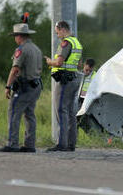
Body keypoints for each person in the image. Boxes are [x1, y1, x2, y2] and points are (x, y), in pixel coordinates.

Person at [0, 23, 43, 153]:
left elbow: (15, 69)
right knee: (29, 114)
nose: (14, 38)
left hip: (24, 87)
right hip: (36, 86)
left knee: (13, 113)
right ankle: (30, 144)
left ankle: (12, 144)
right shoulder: (36, 49)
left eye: (15, 35)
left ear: (19, 36)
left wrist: (8, 86)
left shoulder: (21, 49)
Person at [45, 20, 82, 152]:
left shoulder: (66, 43)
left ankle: (62, 144)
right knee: (71, 112)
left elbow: (59, 62)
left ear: (62, 29)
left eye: (57, 32)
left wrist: (50, 62)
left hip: (65, 81)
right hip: (74, 79)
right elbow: (79, 64)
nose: (57, 35)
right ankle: (71, 143)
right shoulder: (77, 42)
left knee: (61, 110)